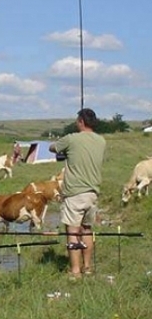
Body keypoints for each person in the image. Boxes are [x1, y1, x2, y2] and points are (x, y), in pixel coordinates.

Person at [49, 108, 106, 279]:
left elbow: (53, 147)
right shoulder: (101, 141)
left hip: (74, 193)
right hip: (92, 193)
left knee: (72, 231)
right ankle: (87, 267)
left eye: (77, 120)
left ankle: (75, 271)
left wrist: (64, 150)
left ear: (81, 121)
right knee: (87, 229)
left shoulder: (71, 138)